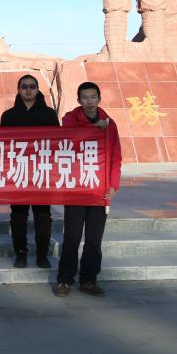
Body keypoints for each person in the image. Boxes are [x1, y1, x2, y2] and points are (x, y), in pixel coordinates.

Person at [55, 81, 122, 297]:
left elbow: (116, 157)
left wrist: (113, 185)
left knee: (94, 239)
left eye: (93, 97)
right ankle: (65, 280)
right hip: (76, 189)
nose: (89, 101)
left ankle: (89, 280)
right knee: (72, 237)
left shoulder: (110, 124)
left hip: (99, 190)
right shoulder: (69, 119)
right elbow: (69, 141)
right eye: (85, 97)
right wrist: (94, 129)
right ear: (78, 100)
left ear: (99, 99)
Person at [0, 74, 59, 268]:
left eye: (32, 86)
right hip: (18, 173)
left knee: (43, 216)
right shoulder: (8, 116)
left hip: (42, 172)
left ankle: (42, 255)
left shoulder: (49, 114)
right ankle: (21, 253)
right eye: (24, 86)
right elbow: (2, 145)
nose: (28, 90)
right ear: (18, 90)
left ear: (37, 89)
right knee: (18, 216)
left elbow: (57, 143)